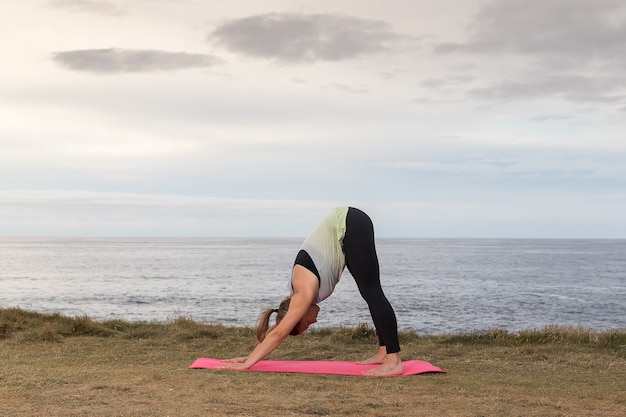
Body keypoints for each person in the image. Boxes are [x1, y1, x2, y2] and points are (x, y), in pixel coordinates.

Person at [220, 206, 402, 376]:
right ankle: (384, 352)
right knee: (369, 292)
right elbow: (279, 327)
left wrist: (246, 365)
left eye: (306, 324)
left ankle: (394, 360)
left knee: (372, 291)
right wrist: (250, 357)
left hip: (349, 223)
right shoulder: (296, 294)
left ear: (298, 313)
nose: (314, 322)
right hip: (347, 227)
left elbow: (280, 333)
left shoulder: (303, 292)